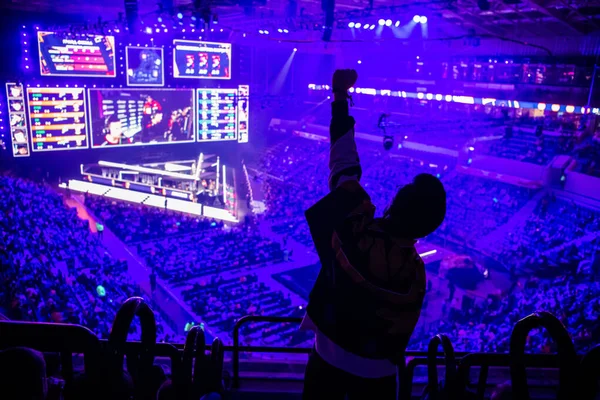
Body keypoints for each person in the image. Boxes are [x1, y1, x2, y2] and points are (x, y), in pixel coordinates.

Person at [302, 69, 446, 400]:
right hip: (380, 376)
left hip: (328, 358)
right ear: (428, 227)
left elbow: (343, 162)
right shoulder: (415, 272)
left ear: (395, 202)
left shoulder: (355, 231)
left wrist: (340, 96)